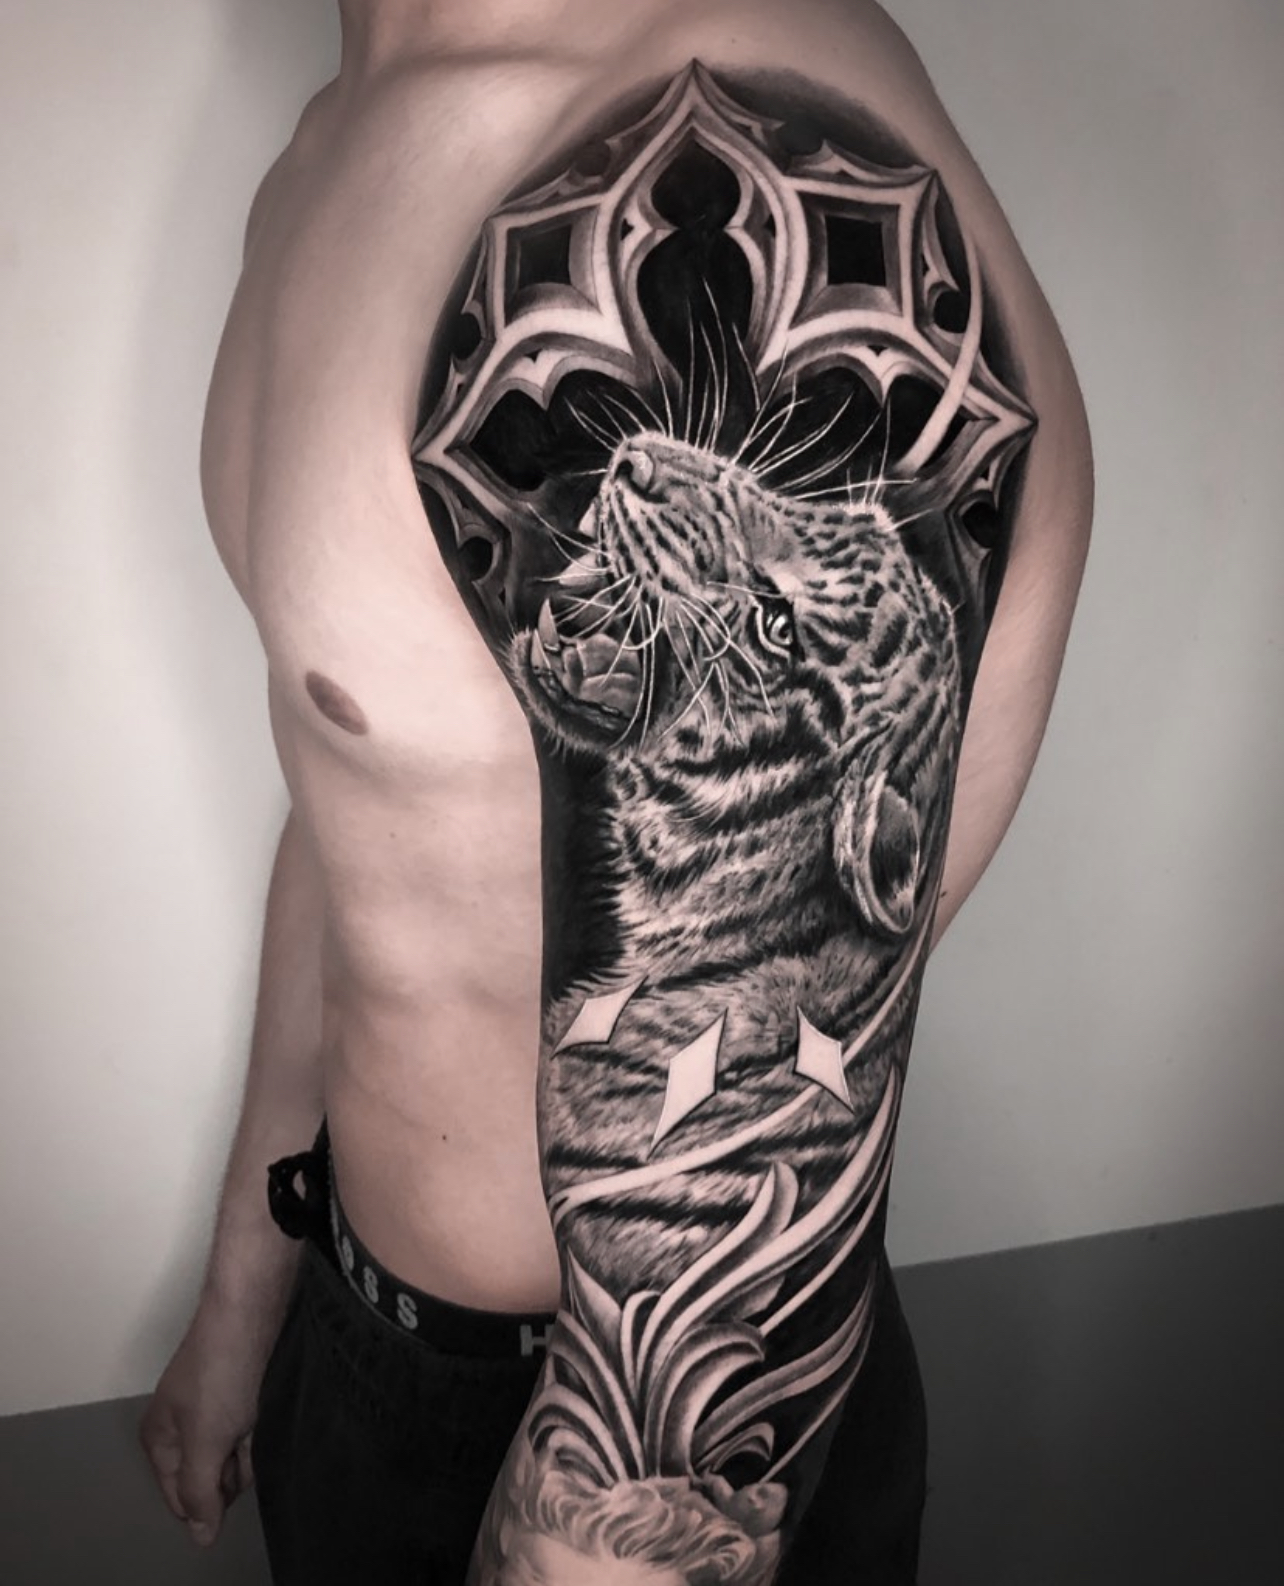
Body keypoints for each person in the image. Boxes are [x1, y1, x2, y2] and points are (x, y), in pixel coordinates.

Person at [139, 2, 1092, 1582]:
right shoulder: (335, 136)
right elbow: (364, 771)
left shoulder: (683, 165)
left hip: (619, 1444)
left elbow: (724, 1257)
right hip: (357, 1326)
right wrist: (254, 1273)